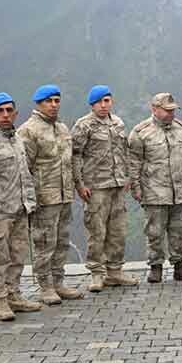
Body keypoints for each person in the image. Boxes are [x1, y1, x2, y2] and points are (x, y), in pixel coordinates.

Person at [0, 92, 41, 321]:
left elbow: (25, 175)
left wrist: (30, 202)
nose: (5, 115)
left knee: (17, 256)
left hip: (19, 209)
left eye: (9, 110)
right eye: (0, 111)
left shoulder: (17, 139)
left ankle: (14, 295)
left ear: (15, 113)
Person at [19, 84, 83, 304]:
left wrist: (77, 185)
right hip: (43, 198)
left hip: (64, 196)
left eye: (57, 101)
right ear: (38, 104)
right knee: (44, 243)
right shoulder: (28, 131)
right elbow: (24, 168)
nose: (54, 105)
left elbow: (71, 161)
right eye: (49, 101)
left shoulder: (63, 129)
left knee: (62, 241)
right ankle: (45, 286)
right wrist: (29, 199)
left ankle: (58, 282)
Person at [71, 85, 136, 291]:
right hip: (96, 187)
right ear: (92, 104)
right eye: (99, 101)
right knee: (97, 232)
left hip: (117, 186)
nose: (103, 105)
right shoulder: (83, 126)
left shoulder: (118, 123)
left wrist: (127, 177)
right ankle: (97, 274)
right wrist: (79, 184)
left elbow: (124, 152)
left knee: (118, 231)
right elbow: (75, 156)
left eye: (107, 100)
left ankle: (114, 272)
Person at [128, 93, 182, 283]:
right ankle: (155, 266)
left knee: (179, 230)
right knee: (154, 232)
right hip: (153, 191)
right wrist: (136, 188)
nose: (171, 114)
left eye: (173, 110)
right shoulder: (141, 132)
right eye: (167, 110)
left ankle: (180, 265)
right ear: (154, 109)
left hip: (178, 191)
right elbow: (134, 164)